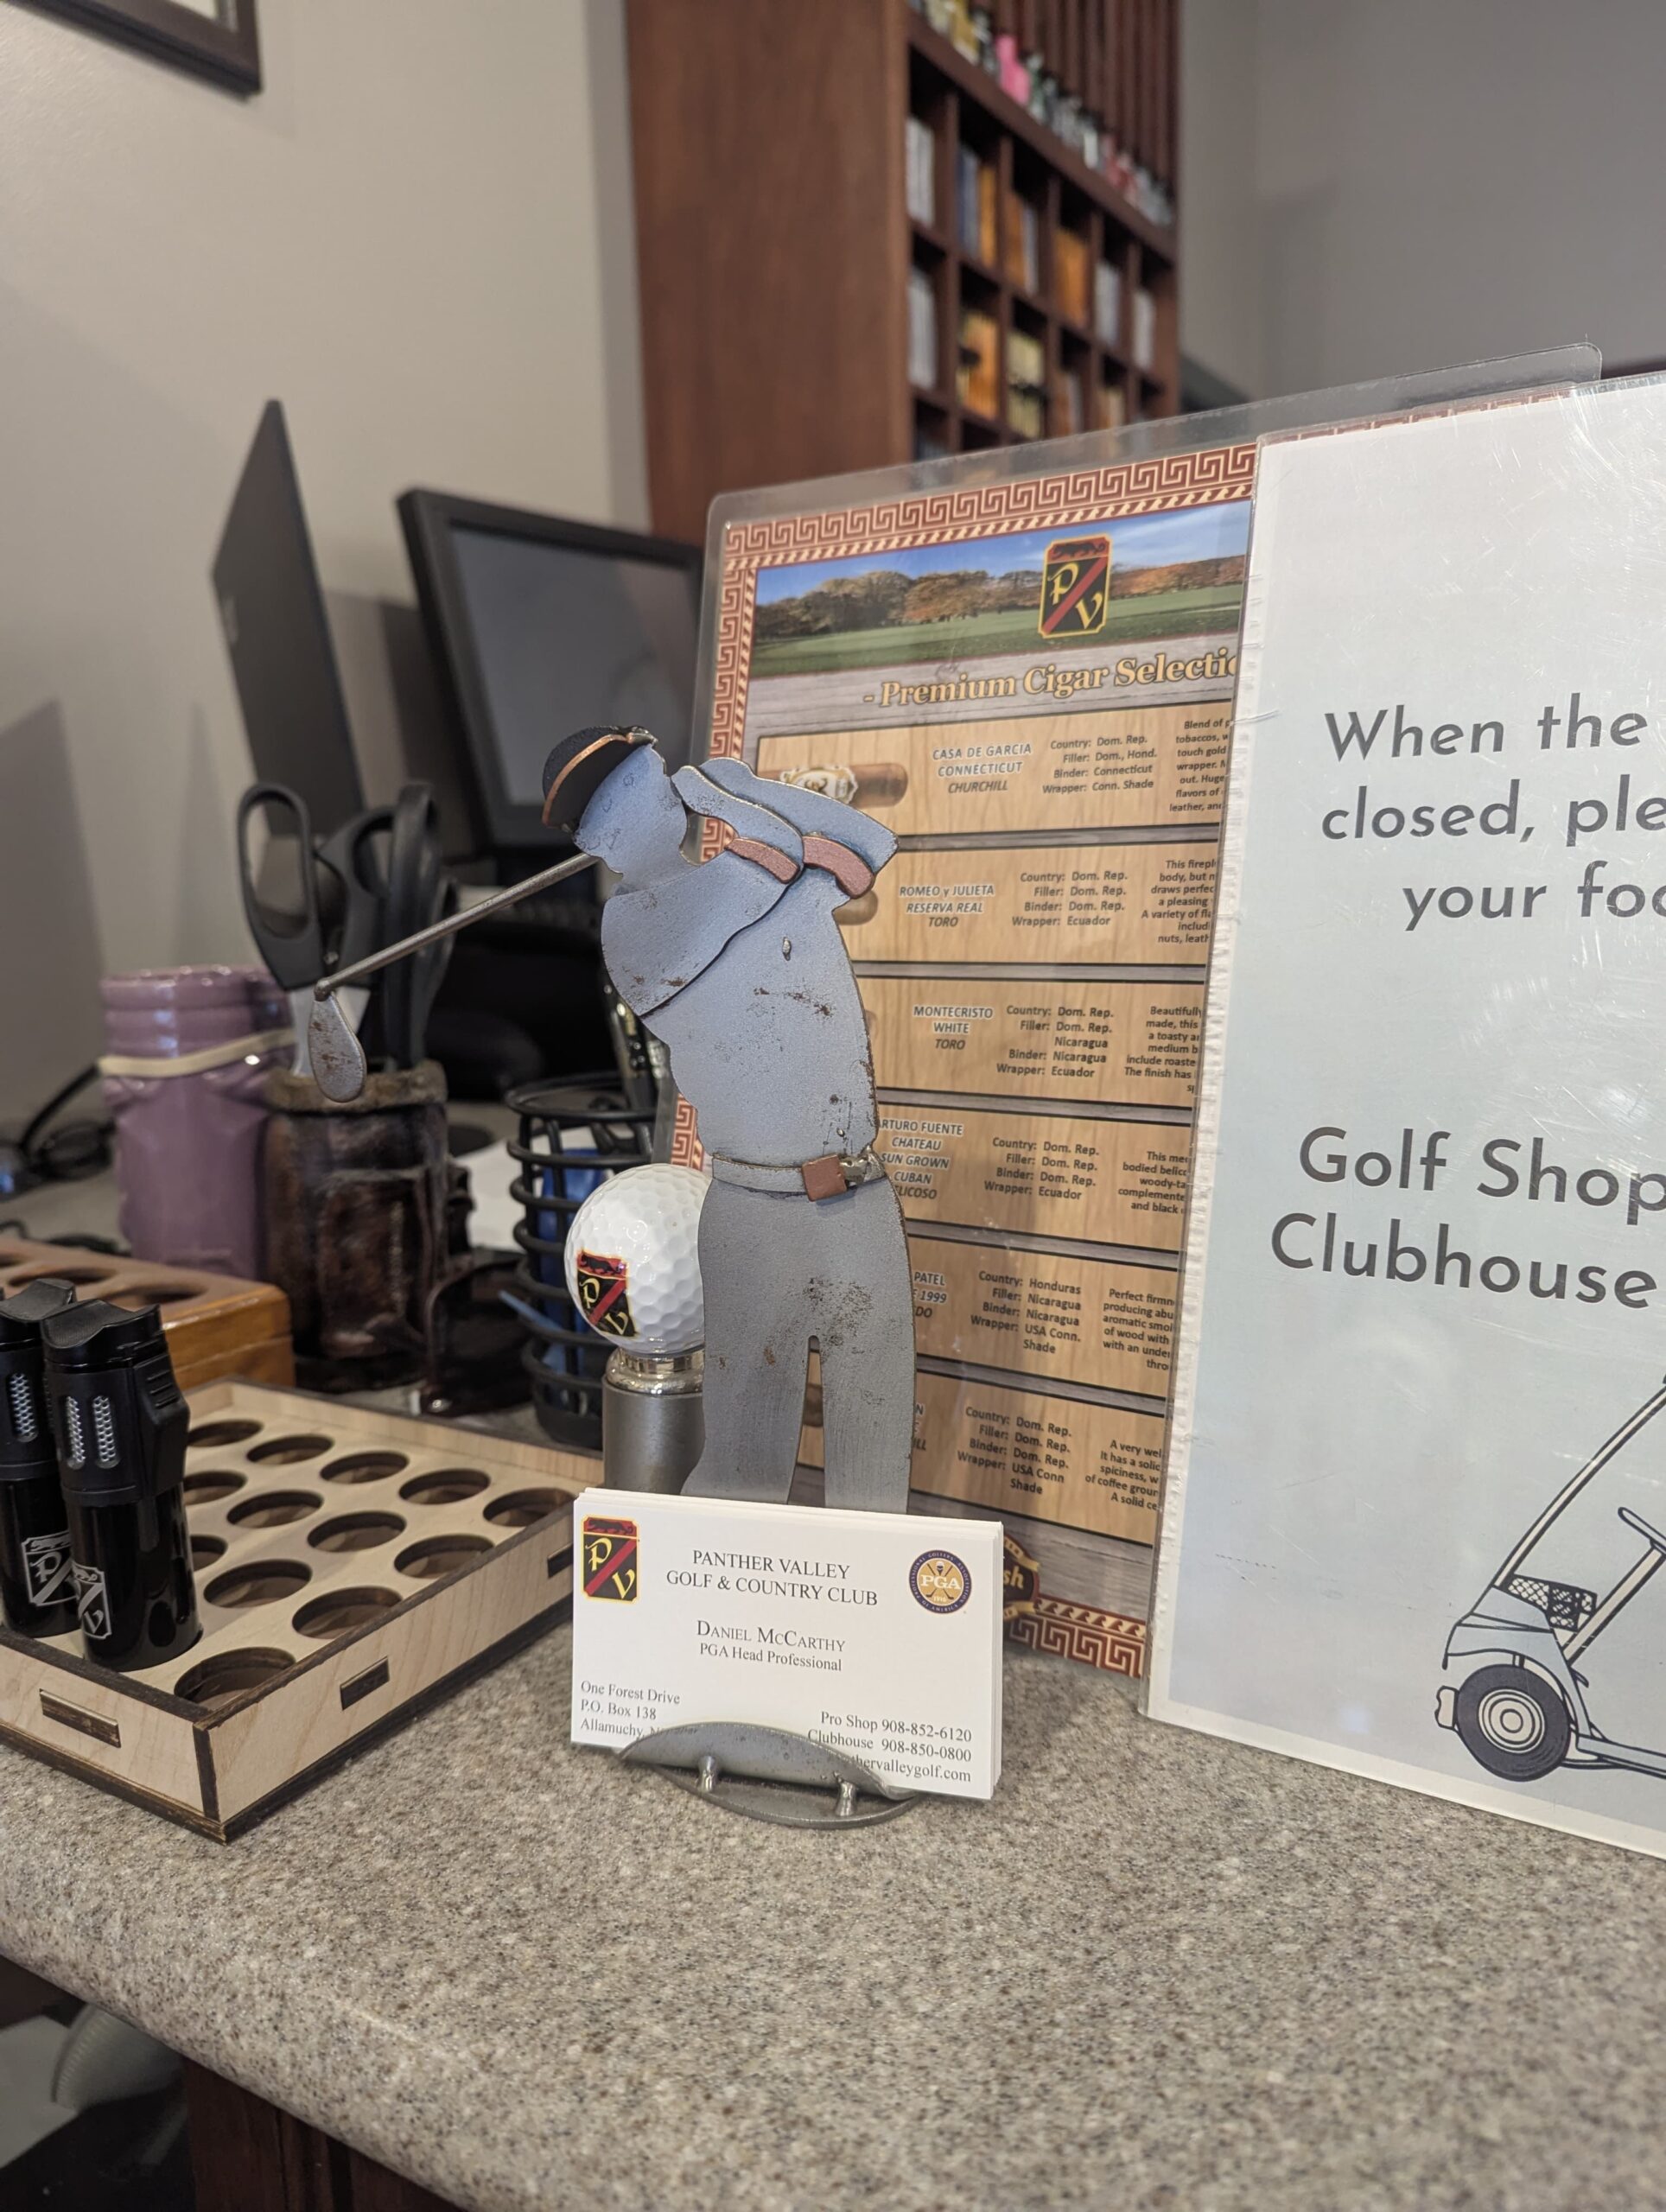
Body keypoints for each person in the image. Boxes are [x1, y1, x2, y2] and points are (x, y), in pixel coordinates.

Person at [541, 726, 913, 1514]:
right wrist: (723, 795)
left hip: (860, 1196)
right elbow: (772, 858)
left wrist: (743, 787)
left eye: (650, 773)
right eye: (628, 794)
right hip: (755, 1212)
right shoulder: (636, 928)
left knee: (875, 1455)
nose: (659, 790)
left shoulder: (752, 869)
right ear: (597, 841)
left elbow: (865, 848)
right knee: (746, 1464)